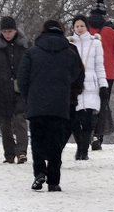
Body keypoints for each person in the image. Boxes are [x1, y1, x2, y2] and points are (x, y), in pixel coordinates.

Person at [17, 19, 84, 192]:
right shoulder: (70, 53)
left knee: (38, 140)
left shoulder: (32, 53)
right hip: (59, 105)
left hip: (36, 104)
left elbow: (22, 78)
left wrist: (28, 97)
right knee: (55, 143)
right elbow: (77, 74)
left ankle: (39, 172)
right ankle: (53, 181)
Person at [0, 15, 29, 164]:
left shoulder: (25, 46)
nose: (7, 34)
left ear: (15, 30)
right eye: (5, 31)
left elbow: (31, 66)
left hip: (20, 89)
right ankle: (9, 154)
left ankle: (21, 152)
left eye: (10, 31)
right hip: (2, 90)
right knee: (5, 124)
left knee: (20, 120)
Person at [87, 10, 114, 151]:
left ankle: (87, 133)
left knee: (87, 104)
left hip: (88, 73)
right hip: (107, 75)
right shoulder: (111, 31)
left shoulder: (84, 30)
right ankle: (98, 136)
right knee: (103, 104)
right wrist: (113, 65)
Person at [70, 15, 107, 160]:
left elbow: (99, 65)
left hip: (91, 85)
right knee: (74, 120)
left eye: (82, 26)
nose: (79, 29)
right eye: (77, 26)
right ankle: (80, 146)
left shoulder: (95, 43)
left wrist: (103, 85)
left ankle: (83, 151)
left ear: (87, 27)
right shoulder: (69, 44)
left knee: (87, 121)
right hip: (74, 87)